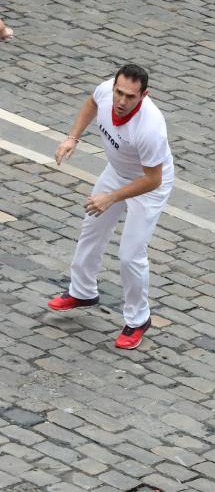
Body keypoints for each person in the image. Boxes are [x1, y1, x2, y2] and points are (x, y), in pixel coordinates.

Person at [48, 64, 174, 350]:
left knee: (131, 254)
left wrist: (113, 197)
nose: (121, 101)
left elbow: (153, 179)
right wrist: (72, 138)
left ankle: (138, 319)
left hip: (148, 185)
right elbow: (92, 102)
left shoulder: (150, 127)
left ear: (144, 95)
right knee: (92, 229)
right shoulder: (106, 92)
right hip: (117, 172)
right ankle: (82, 291)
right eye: (119, 92)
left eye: (130, 96)